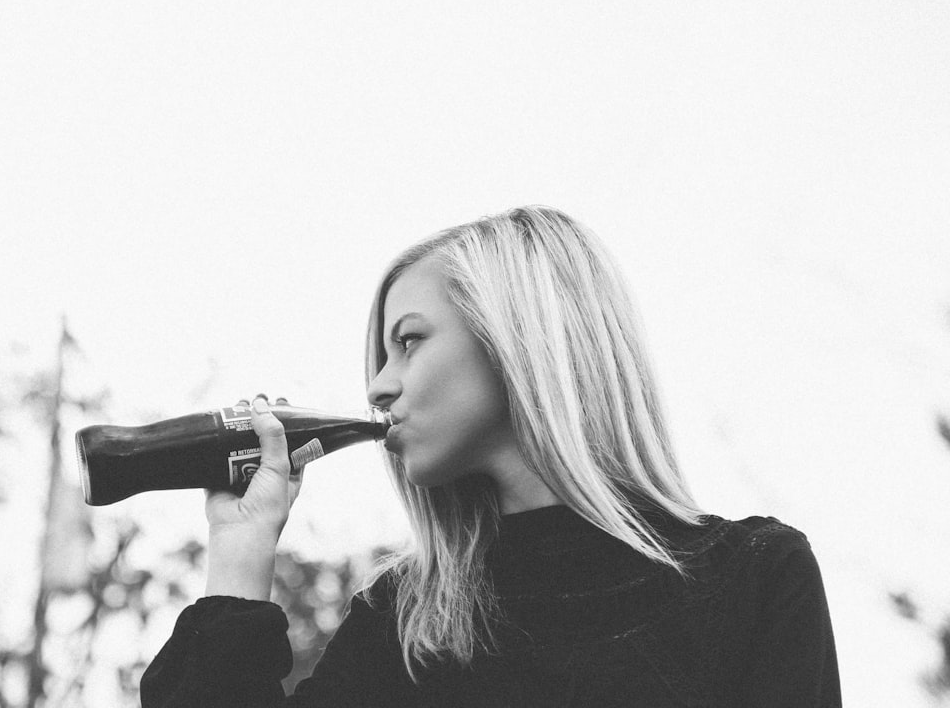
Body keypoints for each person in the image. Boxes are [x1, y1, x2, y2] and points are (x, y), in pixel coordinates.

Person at [140, 206, 841, 707]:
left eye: (408, 341)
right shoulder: (409, 621)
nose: (379, 384)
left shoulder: (752, 580)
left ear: (518, 341)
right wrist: (239, 548)